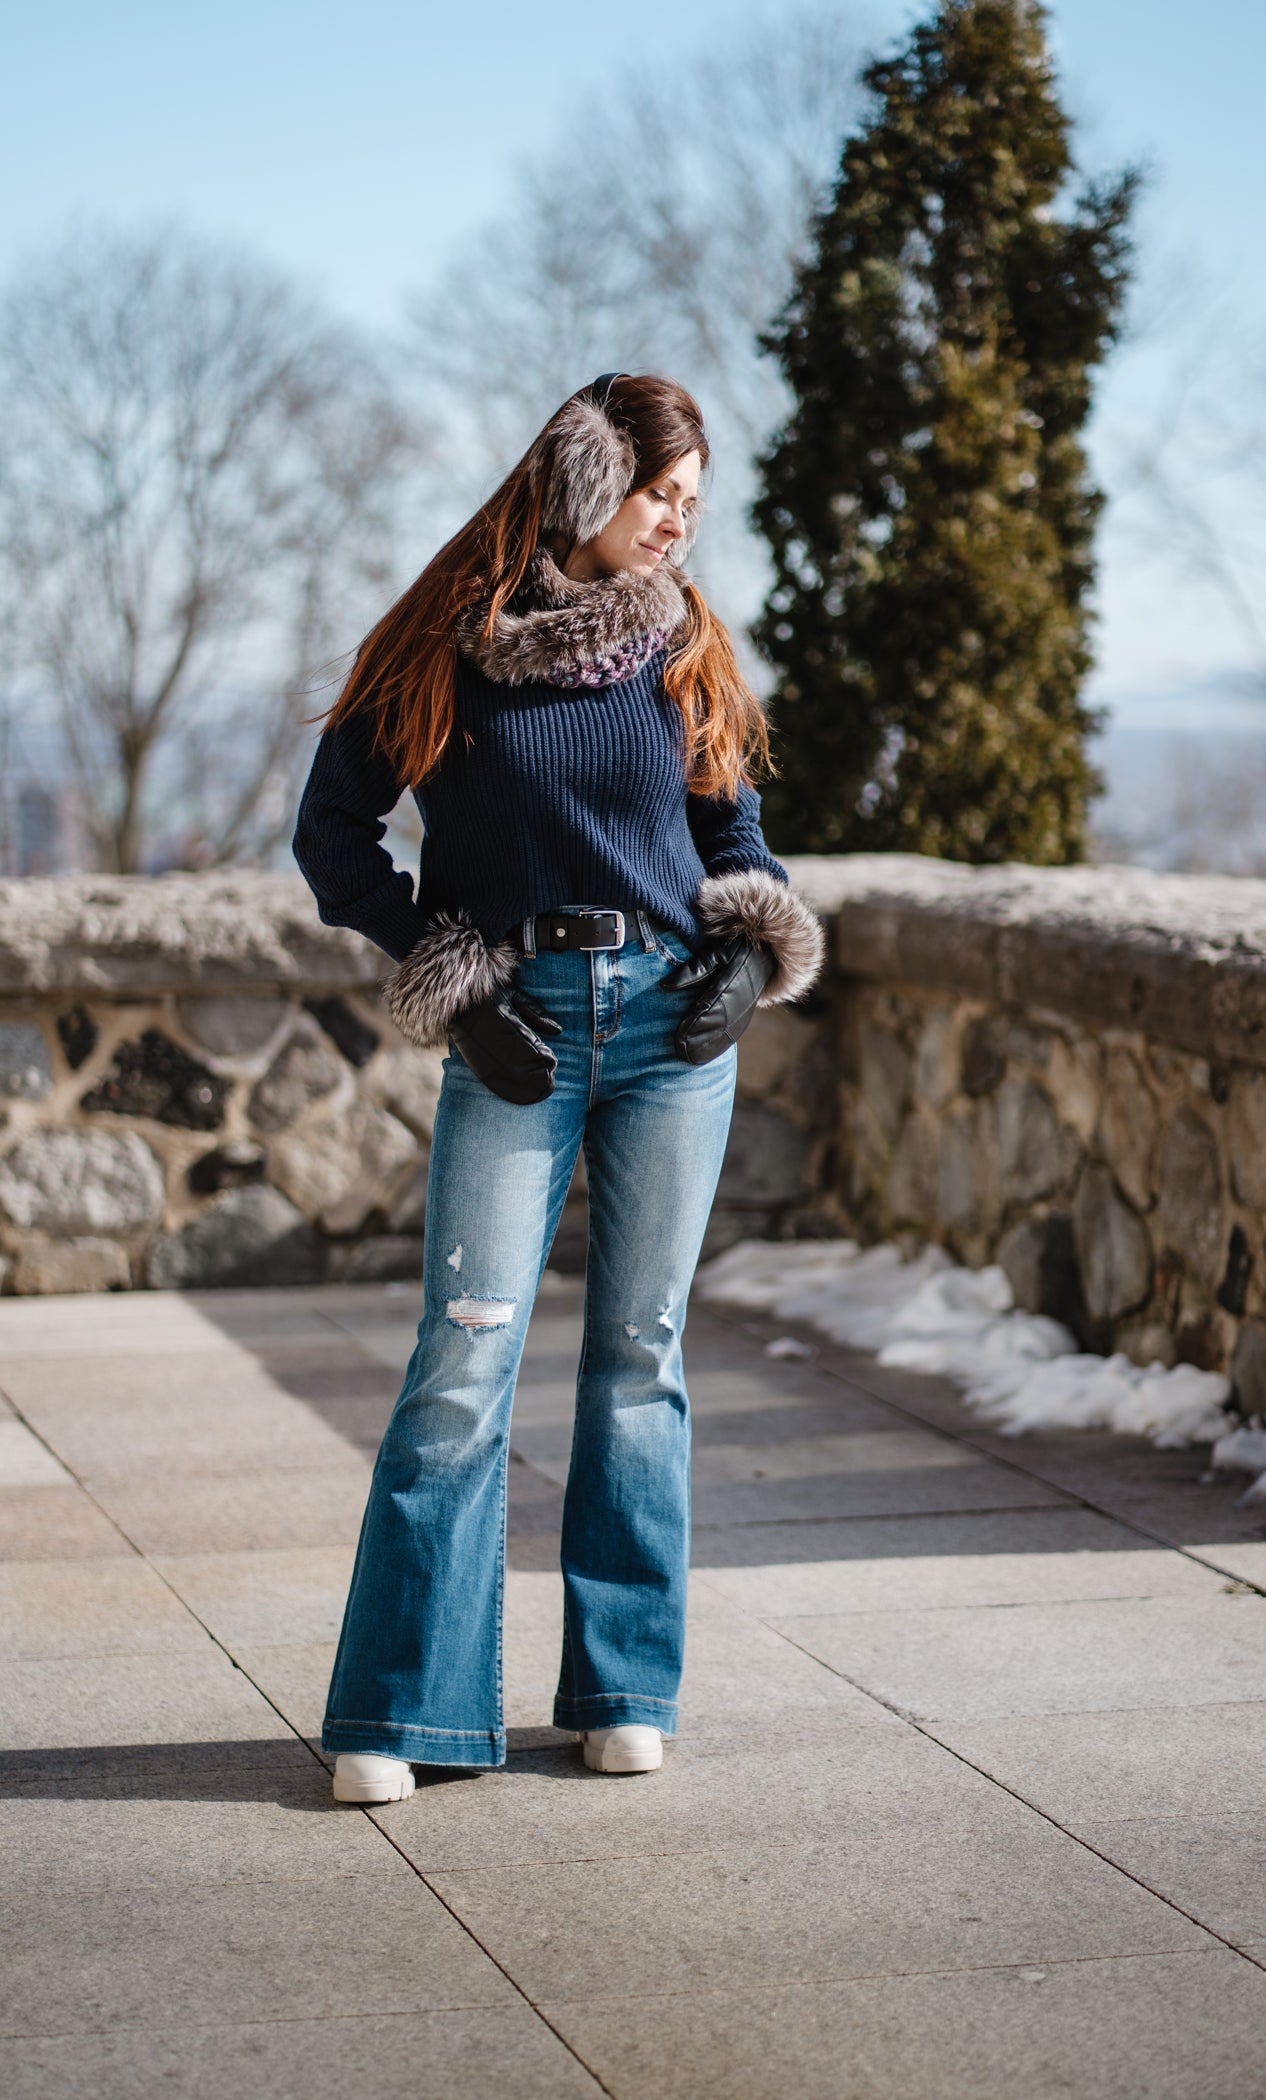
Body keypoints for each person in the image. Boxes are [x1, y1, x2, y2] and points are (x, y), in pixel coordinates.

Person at [293, 373, 822, 1804]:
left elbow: (737, 834)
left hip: (672, 1032)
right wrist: (447, 979)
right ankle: (401, 1711)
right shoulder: (444, 645)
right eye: (663, 496)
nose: (678, 528)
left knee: (639, 1361)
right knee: (461, 1368)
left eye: (693, 504)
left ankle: (624, 1686)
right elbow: (334, 835)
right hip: (515, 1031)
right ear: (593, 480)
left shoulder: (684, 639)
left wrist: (747, 953)